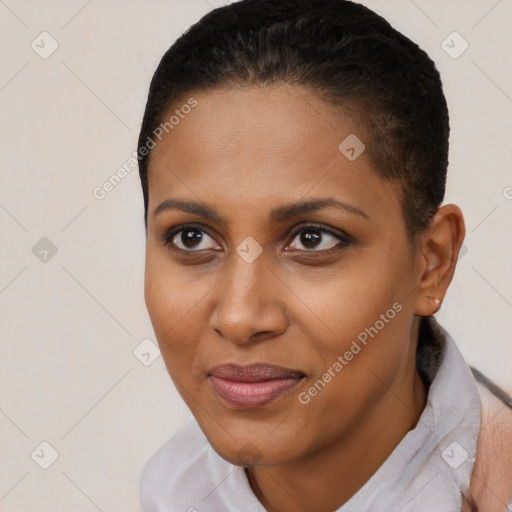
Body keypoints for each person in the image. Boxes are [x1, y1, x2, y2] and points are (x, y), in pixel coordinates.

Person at [135, 1, 512, 510]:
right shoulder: (169, 487)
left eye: (312, 239)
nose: (241, 317)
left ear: (432, 262)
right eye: (192, 238)